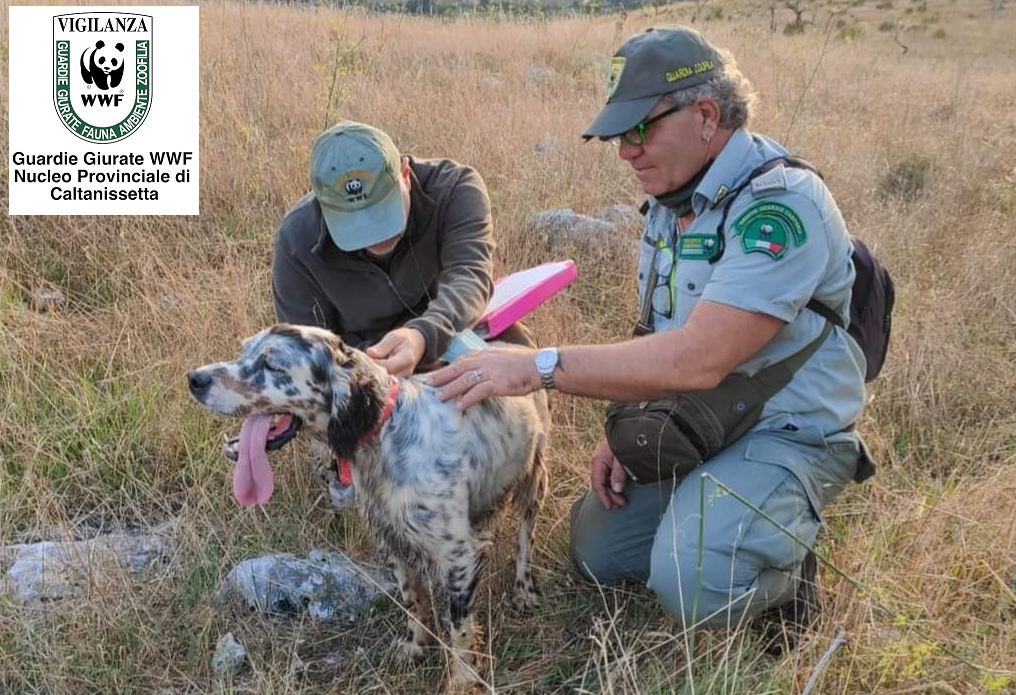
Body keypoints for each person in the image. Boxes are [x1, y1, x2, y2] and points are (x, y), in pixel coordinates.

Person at [427, 26, 872, 639]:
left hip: (784, 432)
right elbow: (656, 329)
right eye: (617, 135)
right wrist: (628, 427)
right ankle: (713, 520)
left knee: (691, 584)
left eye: (640, 129)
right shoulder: (671, 203)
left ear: (707, 115)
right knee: (596, 556)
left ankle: (788, 571)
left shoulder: (780, 206)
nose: (625, 151)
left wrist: (536, 367)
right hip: (701, 423)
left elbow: (698, 359)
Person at [272, 120, 532, 378]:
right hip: (366, 360)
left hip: (450, 326)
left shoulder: (455, 189)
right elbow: (310, 349)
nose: (376, 236)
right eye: (354, 223)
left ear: (405, 175)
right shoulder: (295, 242)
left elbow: (470, 276)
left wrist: (423, 336)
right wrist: (373, 362)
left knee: (518, 352)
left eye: (383, 211)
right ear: (323, 207)